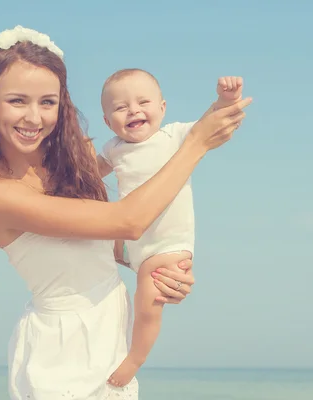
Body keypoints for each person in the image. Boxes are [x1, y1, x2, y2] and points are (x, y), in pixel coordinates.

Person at [0, 25, 252, 400]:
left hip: (109, 332)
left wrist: (161, 268)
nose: (34, 117)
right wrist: (197, 143)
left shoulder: (73, 161)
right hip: (64, 348)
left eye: (48, 102)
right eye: (17, 101)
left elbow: (103, 247)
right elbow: (128, 221)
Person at [96, 69, 244, 387]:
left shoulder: (174, 136)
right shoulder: (113, 148)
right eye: (121, 108)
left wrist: (224, 100)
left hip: (168, 243)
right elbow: (89, 176)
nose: (134, 110)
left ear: (162, 108)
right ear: (108, 122)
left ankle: (135, 357)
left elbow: (210, 126)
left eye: (143, 102)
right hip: (131, 241)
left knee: (147, 302)